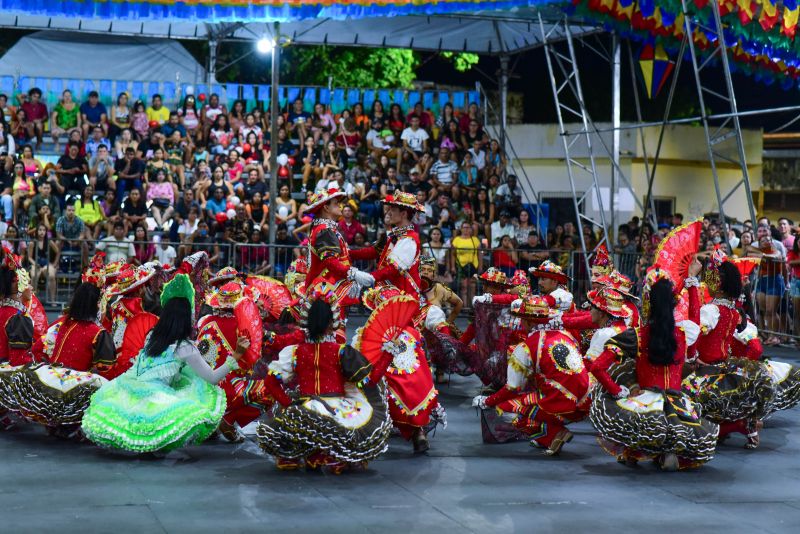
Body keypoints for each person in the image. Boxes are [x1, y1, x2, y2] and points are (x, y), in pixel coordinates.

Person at [82, 273, 244, 453]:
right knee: (206, 392)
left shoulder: (152, 336)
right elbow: (212, 378)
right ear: (186, 319)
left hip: (126, 387)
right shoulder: (185, 348)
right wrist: (236, 356)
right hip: (154, 397)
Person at [586, 267, 719, 470]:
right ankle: (667, 451)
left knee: (634, 419)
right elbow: (695, 320)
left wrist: (617, 391)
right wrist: (691, 284)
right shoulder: (684, 333)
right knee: (679, 426)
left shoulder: (637, 335)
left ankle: (634, 451)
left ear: (647, 302)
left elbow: (597, 367)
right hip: (678, 402)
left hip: (645, 400)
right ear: (673, 302)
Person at [257, 284, 392, 472]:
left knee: (291, 424)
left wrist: (288, 404)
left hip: (305, 405)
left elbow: (270, 382)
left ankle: (306, 454)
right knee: (347, 431)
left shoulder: (295, 352)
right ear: (332, 323)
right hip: (338, 408)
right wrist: (387, 356)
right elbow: (369, 382)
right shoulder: (341, 352)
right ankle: (330, 456)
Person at [472, 294, 590, 455]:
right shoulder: (565, 334)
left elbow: (512, 388)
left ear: (527, 321)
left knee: (503, 408)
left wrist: (488, 401)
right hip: (585, 403)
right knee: (535, 396)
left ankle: (555, 432)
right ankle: (550, 436)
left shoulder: (526, 347)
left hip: (562, 403)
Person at [686, 250, 775, 449]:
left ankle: (735, 426)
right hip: (723, 367)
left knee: (685, 406)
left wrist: (692, 357)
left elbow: (693, 331)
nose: (706, 280)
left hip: (705, 371)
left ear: (718, 284)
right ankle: (744, 426)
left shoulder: (711, 310)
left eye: (710, 277)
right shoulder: (734, 312)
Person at [19, 282, 114, 436]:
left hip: (50, 377)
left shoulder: (63, 325)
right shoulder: (98, 332)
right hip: (73, 386)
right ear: (96, 305)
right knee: (106, 383)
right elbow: (105, 368)